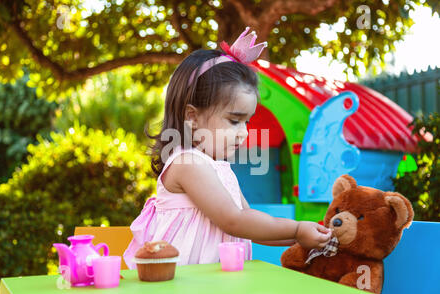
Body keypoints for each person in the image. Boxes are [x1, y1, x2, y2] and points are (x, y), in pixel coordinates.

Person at [123, 27, 331, 269]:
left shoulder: (219, 168)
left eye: (247, 121)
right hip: (185, 285)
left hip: (214, 283)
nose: (243, 132)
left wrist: (304, 236)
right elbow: (234, 220)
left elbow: (250, 226)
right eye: (234, 120)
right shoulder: (187, 164)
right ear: (192, 117)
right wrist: (295, 229)